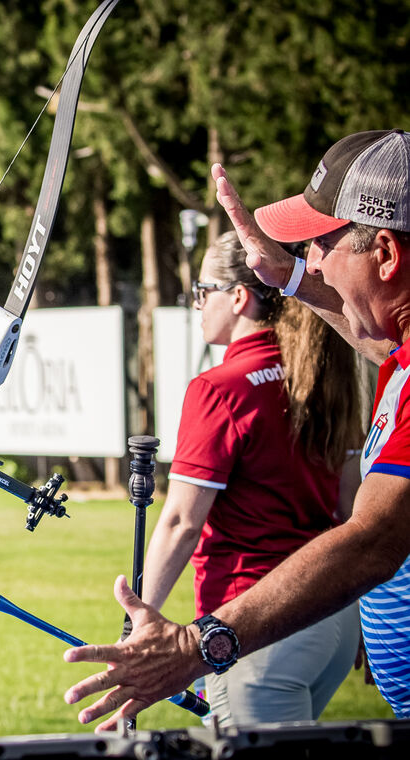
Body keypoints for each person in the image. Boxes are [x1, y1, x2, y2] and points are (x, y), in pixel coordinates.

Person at [63, 128, 410, 729]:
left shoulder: (220, 388)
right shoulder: (393, 360)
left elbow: (372, 541)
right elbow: (381, 348)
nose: (315, 261)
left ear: (384, 252)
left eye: (323, 244)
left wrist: (192, 645)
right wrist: (294, 279)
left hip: (263, 623)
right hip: (321, 626)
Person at [143, 230, 363, 726]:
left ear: (239, 297)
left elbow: (180, 521)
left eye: (202, 292)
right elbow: (351, 511)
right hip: (331, 620)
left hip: (255, 625)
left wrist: (139, 620)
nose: (197, 306)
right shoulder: (322, 376)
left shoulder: (219, 388)